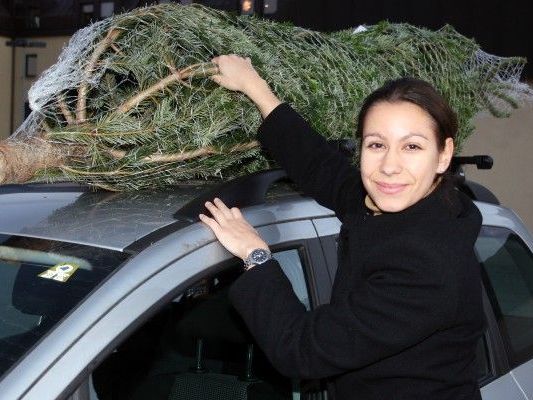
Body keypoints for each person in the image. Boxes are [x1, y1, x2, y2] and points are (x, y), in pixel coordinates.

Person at [199, 54, 485, 400]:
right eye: (376, 144)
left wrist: (255, 254)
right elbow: (321, 168)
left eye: (412, 146)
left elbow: (300, 350)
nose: (389, 166)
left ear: (443, 154)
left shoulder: (427, 266)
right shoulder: (406, 203)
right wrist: (254, 86)